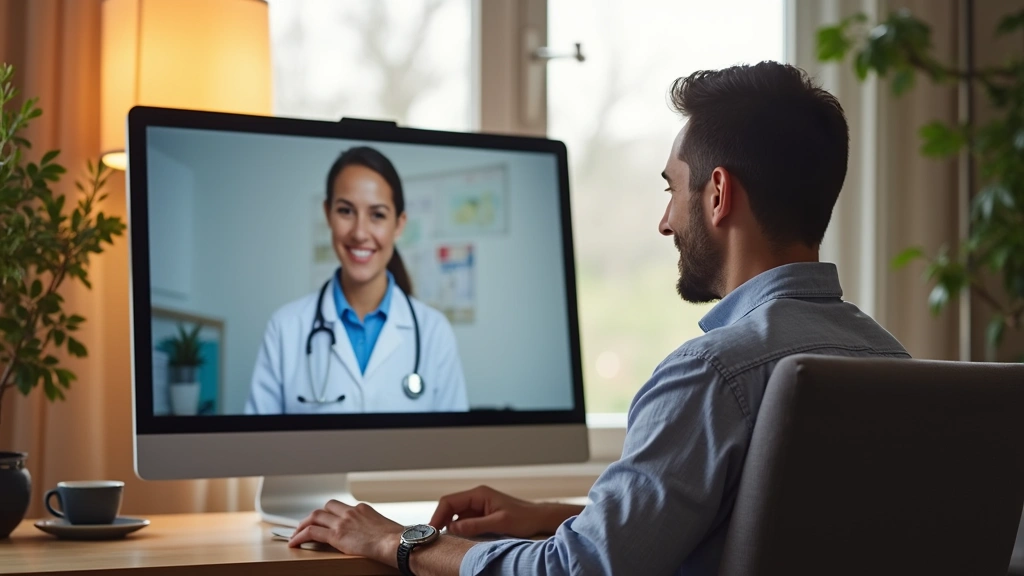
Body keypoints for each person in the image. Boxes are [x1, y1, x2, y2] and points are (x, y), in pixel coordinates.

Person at [287, 62, 911, 574]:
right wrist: (558, 515)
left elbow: (575, 573)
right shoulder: (898, 365)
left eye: (672, 188)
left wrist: (400, 540)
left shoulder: (713, 374)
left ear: (717, 194)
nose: (665, 220)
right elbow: (746, 534)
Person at [245, 146, 469, 415]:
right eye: (346, 211)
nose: (360, 233)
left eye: (377, 215)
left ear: (398, 225)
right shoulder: (285, 329)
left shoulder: (434, 332)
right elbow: (259, 450)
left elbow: (453, 452)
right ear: (328, 214)